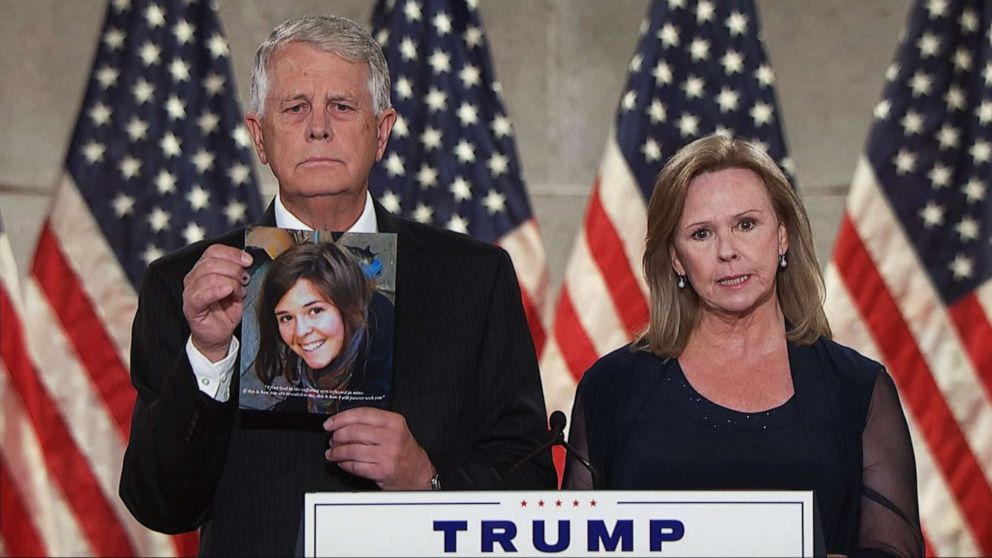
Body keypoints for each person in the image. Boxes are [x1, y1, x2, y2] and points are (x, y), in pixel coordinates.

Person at [119, 14, 555, 556]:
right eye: (296, 107)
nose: (318, 127)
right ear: (260, 136)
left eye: (342, 107)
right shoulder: (183, 287)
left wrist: (428, 481)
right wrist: (208, 354)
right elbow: (160, 504)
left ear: (382, 131)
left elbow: (531, 482)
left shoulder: (475, 278)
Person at [563, 134, 923, 557]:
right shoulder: (613, 389)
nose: (728, 251)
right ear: (676, 258)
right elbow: (574, 543)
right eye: (701, 234)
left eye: (746, 225)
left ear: (783, 235)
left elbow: (893, 549)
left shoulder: (856, 389)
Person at [253, 241, 383, 415]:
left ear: (345, 306)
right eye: (286, 317)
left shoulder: (381, 353)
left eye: (315, 310)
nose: (300, 332)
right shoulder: (325, 351)